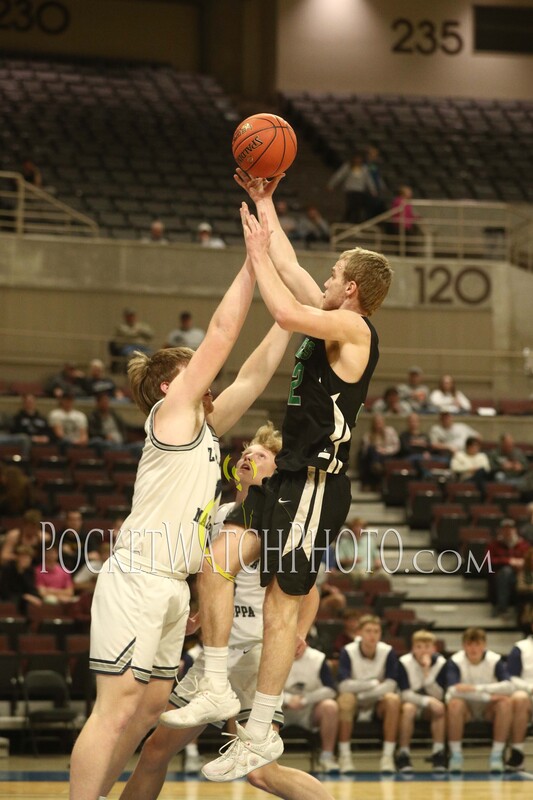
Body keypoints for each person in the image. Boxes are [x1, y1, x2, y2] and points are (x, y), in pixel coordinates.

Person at [160, 168, 392, 782]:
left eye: (333, 275)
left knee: (279, 604)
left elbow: (285, 310)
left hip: (316, 482)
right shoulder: (331, 312)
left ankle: (261, 730)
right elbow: (289, 267)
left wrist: (256, 255)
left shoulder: (354, 328)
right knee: (218, 560)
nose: (324, 279)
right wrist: (265, 203)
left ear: (351, 289)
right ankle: (214, 683)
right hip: (285, 475)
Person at [69, 252, 292, 800]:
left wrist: (291, 316)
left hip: (171, 585)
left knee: (148, 711)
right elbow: (221, 334)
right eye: (195, 373)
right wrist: (252, 264)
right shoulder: (169, 418)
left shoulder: (205, 428)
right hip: (140, 575)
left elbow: (254, 374)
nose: (209, 380)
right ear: (171, 387)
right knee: (116, 709)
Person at [118, 426, 334, 800]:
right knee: (155, 751)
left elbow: (309, 592)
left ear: (278, 471)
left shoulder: (280, 518)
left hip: (255, 655)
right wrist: (199, 615)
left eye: (261, 455)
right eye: (246, 453)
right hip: (217, 657)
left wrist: (298, 632)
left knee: (261, 773)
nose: (248, 457)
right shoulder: (218, 513)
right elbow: (214, 580)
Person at [336, 614, 400, 773]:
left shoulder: (387, 651)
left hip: (377, 700)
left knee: (393, 700)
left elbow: (391, 685)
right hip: (354, 699)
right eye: (368, 631)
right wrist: (371, 684)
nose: (373, 635)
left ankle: (388, 757)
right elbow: (343, 686)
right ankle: (344, 756)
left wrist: (364, 694)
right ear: (359, 633)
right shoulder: (348, 651)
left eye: (376, 631)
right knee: (345, 699)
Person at [446, 627, 513, 773]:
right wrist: (487, 696)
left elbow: (508, 687)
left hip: (488, 709)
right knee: (455, 704)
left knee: (505, 703)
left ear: (484, 645)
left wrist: (476, 688)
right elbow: (452, 691)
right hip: (467, 709)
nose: (473, 648)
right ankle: (456, 755)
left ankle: (497, 755)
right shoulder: (455, 661)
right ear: (463, 646)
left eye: (477, 644)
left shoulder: (495, 660)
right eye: (469, 644)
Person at [282, 642, 339, 773]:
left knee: (330, 706)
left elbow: (331, 689)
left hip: (309, 710)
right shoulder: (273, 653)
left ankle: (327, 757)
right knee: (257, 706)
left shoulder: (318, 658)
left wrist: (305, 699)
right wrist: (287, 699)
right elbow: (258, 686)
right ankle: (262, 761)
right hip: (279, 709)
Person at [397, 630, 447, 773]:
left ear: (434, 649)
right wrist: (427, 700)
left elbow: (439, 694)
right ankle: (403, 753)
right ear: (413, 649)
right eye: (418, 647)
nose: (423, 651)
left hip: (431, 705)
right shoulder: (404, 662)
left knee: (440, 709)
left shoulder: (441, 663)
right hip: (411, 701)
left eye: (427, 647)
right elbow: (405, 693)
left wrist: (426, 673)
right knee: (409, 709)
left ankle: (438, 752)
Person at [486, 518, 530, 620]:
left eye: (510, 529)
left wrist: (522, 563)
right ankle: (503, 607)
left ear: (515, 530)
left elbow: (529, 559)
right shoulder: (493, 545)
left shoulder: (524, 545)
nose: (508, 531)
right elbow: (488, 561)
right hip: (500, 575)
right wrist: (509, 561)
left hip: (520, 574)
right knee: (506, 572)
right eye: (505, 529)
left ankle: (523, 611)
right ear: (500, 531)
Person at [506, 621, 533, 771]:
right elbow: (511, 676)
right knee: (519, 699)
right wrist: (529, 688)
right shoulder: (520, 648)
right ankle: (517, 754)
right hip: (527, 692)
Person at [327, 151, 374, 224]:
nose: (358, 160)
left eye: (359, 159)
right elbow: (339, 175)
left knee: (358, 206)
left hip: (359, 191)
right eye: (356, 158)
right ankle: (347, 219)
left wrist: (373, 189)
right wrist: (331, 184)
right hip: (350, 190)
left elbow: (368, 180)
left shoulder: (364, 169)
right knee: (350, 205)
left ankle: (356, 221)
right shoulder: (348, 167)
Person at [358, 412, 400, 490]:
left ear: (383, 422)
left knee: (375, 460)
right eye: (376, 423)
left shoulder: (390, 431)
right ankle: (376, 466)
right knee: (371, 451)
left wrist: (385, 450)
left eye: (380, 422)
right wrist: (376, 449)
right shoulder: (368, 435)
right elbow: (364, 451)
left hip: (386, 455)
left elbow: (396, 446)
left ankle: (371, 481)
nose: (378, 425)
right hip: (373, 456)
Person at [0, 544, 42, 612]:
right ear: (17, 558)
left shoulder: (30, 571)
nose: (26, 560)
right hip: (9, 598)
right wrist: (24, 596)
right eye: (23, 557)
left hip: (24, 600)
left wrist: (36, 597)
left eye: (28, 558)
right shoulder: (8, 569)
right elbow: (5, 591)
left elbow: (31, 588)